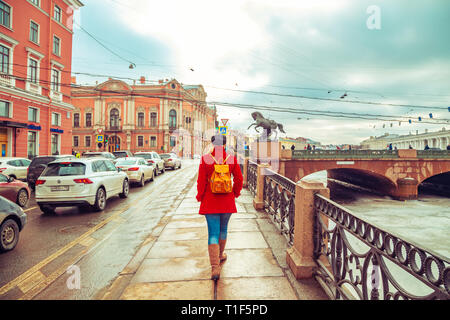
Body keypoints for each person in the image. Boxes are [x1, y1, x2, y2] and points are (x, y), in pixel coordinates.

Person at [196, 134, 243, 280]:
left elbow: (201, 181)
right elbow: (239, 179)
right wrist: (235, 193)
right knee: (223, 229)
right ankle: (221, 255)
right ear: (224, 144)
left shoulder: (205, 159)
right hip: (227, 200)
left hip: (210, 201)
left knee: (213, 233)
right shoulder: (231, 159)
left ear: (212, 144)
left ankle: (215, 268)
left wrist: (200, 196)